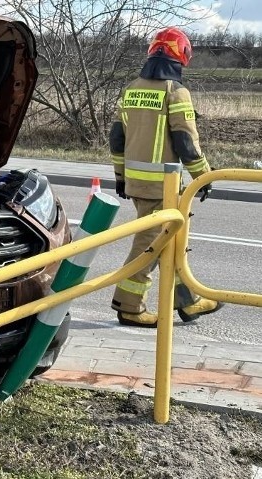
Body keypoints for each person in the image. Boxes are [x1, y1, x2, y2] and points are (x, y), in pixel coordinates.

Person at [108, 27, 223, 327]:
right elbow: (186, 141)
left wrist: (120, 176)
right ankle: (129, 305)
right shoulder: (176, 92)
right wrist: (204, 176)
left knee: (168, 242)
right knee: (150, 244)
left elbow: (117, 137)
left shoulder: (132, 88)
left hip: (136, 182)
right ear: (182, 56)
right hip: (163, 185)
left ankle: (188, 301)